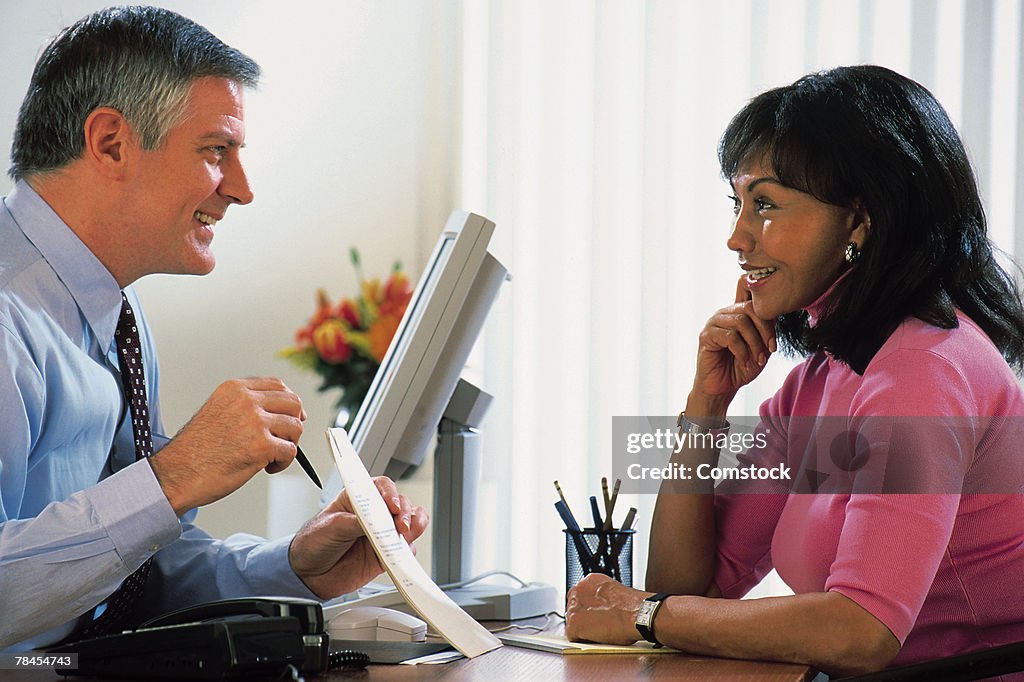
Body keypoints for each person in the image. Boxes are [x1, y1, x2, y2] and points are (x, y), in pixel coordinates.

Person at [565, 65, 1024, 677]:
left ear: (860, 220)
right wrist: (706, 405)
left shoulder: (924, 369)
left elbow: (861, 630)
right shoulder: (824, 378)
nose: (737, 237)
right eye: (738, 205)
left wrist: (644, 616)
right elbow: (688, 585)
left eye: (765, 205)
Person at [0, 6, 427, 650]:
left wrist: (293, 566)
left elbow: (127, 578)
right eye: (216, 150)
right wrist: (172, 478)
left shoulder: (115, 310)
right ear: (111, 142)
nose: (243, 189)